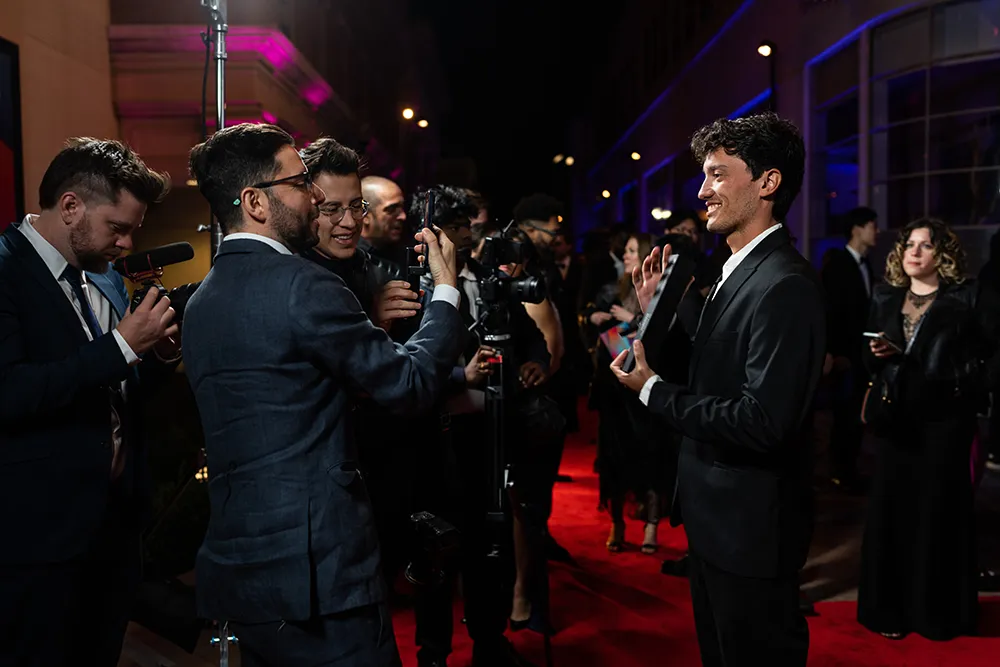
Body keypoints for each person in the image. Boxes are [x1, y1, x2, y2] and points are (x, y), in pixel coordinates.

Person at [182, 123, 467, 667]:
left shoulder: (202, 300)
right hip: (320, 571)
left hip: (245, 570)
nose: (313, 196)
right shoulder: (304, 286)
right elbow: (408, 385)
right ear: (255, 202)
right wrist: (447, 293)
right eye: (298, 183)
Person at [611, 112, 825, 667]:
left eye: (717, 175)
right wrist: (656, 306)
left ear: (768, 183)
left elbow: (762, 421)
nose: (701, 191)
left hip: (751, 532)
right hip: (717, 523)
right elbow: (711, 367)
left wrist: (655, 392)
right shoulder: (737, 269)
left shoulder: (786, 284)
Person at [0, 138, 177, 667]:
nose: (125, 243)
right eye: (116, 227)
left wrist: (156, 356)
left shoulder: (97, 276)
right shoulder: (6, 271)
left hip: (111, 527)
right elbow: (10, 393)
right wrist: (123, 345)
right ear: (71, 206)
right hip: (38, 537)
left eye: (132, 230)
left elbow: (113, 393)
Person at [858, 218, 999, 641]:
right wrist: (877, 355)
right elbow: (865, 361)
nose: (914, 252)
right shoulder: (885, 295)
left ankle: (936, 615)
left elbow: (993, 358)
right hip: (895, 423)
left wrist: (960, 380)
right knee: (892, 515)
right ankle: (891, 613)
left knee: (938, 516)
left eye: (925, 245)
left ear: (943, 255)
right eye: (909, 245)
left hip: (946, 424)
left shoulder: (968, 297)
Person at [822, 206, 878, 489]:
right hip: (844, 355)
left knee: (856, 414)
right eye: (871, 225)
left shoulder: (867, 264)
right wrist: (834, 352)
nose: (876, 231)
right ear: (857, 228)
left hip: (861, 355)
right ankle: (839, 472)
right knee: (844, 416)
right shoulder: (839, 264)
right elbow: (829, 312)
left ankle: (848, 471)